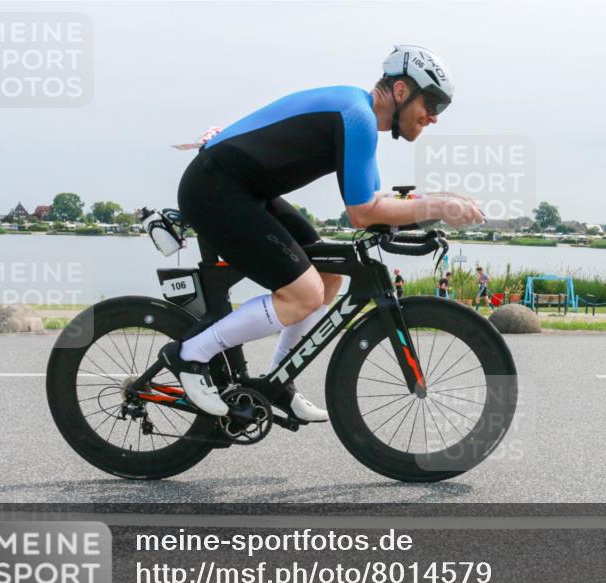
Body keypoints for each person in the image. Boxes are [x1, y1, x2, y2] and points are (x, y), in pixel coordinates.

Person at [158, 45, 483, 419]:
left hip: (242, 191)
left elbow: (376, 202)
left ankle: (277, 381)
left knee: (328, 276)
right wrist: (437, 207)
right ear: (401, 91)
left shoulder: (359, 116)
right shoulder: (356, 116)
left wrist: (441, 201)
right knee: (303, 294)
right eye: (433, 103)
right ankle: (189, 355)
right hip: (214, 190)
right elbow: (363, 214)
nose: (435, 117)